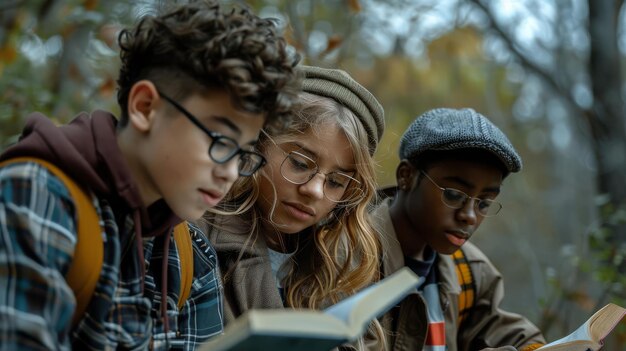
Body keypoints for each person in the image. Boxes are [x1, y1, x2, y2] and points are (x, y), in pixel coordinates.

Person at [0, 1, 300, 349]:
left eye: (243, 153)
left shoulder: (193, 256)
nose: (231, 172)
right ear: (145, 107)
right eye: (220, 141)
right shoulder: (34, 199)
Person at [199, 65, 385, 348]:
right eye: (299, 164)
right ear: (259, 145)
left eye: (336, 181)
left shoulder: (340, 269)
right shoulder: (197, 238)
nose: (314, 190)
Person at [371, 108, 546, 351]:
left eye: (484, 203)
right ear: (407, 176)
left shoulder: (470, 273)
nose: (469, 216)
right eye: (453, 195)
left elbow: (509, 334)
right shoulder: (344, 254)